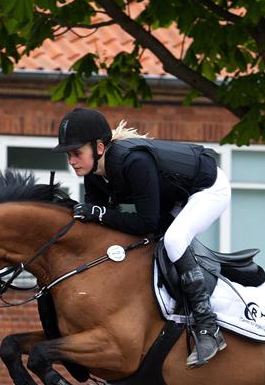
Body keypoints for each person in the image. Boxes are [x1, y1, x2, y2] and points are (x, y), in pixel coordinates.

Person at [52, 107, 230, 368]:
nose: (72, 161)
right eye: (69, 155)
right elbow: (103, 224)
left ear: (99, 147)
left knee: (174, 239)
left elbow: (146, 222)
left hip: (208, 187)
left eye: (77, 153)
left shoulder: (133, 162)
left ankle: (208, 328)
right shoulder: (94, 176)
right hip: (174, 196)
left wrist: (99, 214)